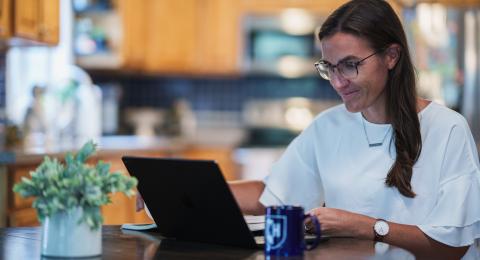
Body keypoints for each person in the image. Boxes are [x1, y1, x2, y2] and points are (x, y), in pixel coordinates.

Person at [227, 0, 480, 259]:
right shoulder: (327, 127)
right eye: (330, 67)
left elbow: (452, 246)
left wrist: (366, 227)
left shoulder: (447, 129)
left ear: (391, 56)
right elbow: (271, 196)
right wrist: (200, 188)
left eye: (350, 65)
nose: (338, 82)